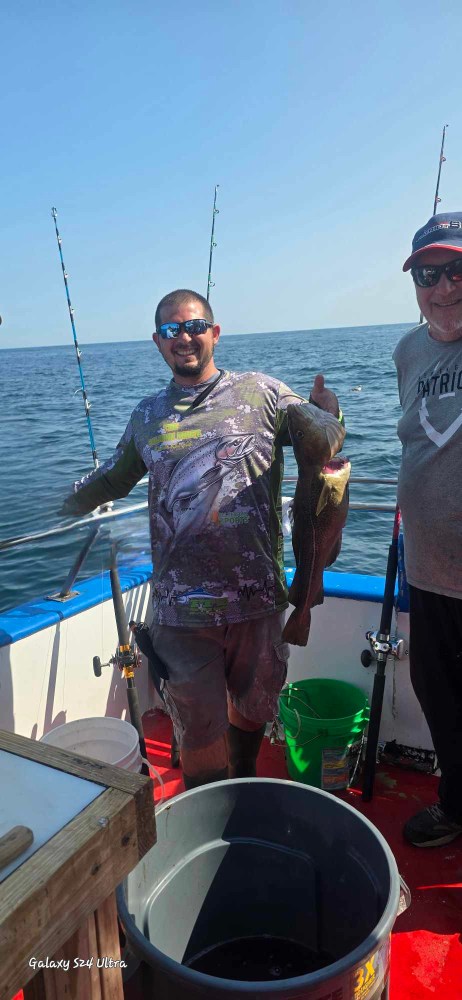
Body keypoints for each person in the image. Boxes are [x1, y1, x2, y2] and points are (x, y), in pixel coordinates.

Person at [62, 289, 341, 788]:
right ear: (157, 342)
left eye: (194, 326)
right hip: (180, 610)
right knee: (197, 733)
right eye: (171, 331)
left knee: (254, 708)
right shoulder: (147, 415)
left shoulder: (264, 392)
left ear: (214, 332)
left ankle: (247, 777)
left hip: (257, 600)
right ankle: (207, 807)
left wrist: (326, 416)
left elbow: (322, 438)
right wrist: (59, 505)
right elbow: (111, 480)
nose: (183, 338)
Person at [394, 213, 462, 847]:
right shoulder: (408, 351)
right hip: (427, 568)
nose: (445, 288)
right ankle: (456, 802)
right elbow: (418, 434)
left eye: (458, 271)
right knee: (437, 695)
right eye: (429, 275)